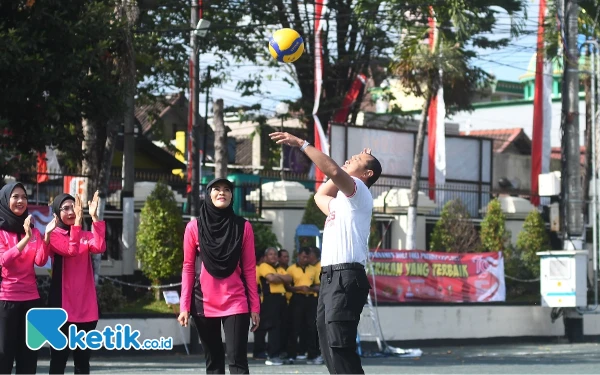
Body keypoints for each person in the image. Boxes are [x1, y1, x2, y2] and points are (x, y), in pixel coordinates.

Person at [270, 132, 382, 375]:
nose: (350, 158)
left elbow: (332, 172)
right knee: (328, 344)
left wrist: (302, 145)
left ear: (367, 175)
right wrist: (347, 167)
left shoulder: (360, 191)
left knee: (340, 345)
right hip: (330, 278)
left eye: (356, 160)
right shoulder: (341, 202)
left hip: (346, 276)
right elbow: (320, 195)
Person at [178, 177, 260, 375]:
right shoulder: (193, 228)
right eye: (216, 189)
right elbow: (188, 268)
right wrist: (184, 306)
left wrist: (254, 306)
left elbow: (249, 269)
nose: (222, 192)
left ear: (232, 196)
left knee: (237, 360)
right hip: (203, 303)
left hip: (236, 301)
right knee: (213, 362)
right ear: (208, 194)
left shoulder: (244, 227)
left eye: (227, 189)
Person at [47, 191, 106, 375]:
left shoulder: (85, 234)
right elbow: (71, 250)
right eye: (66, 208)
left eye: (75, 207)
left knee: (82, 362)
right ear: (57, 213)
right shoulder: (54, 236)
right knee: (58, 360)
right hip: (62, 308)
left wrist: (95, 216)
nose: (72, 212)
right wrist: (78, 225)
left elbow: (99, 246)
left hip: (85, 307)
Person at [0, 182, 53, 375]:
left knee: (29, 354)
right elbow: (4, 261)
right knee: (4, 353)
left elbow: (40, 261)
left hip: (31, 300)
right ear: (6, 200)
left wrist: (45, 237)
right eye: (15, 196)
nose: (21, 200)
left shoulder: (33, 230)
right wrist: (25, 238)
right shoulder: (1, 232)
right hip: (7, 300)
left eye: (24, 196)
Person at [285, 247, 321, 365]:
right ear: (299, 256)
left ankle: (312, 355)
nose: (306, 259)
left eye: (307, 257)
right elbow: (287, 287)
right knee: (294, 327)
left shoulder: (314, 269)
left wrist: (310, 289)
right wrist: (299, 288)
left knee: (311, 327)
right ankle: (292, 355)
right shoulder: (291, 269)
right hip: (297, 299)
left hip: (310, 299)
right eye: (304, 256)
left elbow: (318, 285)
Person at [256, 247, 291, 366]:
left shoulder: (280, 268)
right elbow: (271, 279)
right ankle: (272, 355)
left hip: (281, 299)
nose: (274, 256)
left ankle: (280, 353)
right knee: (273, 327)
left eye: (275, 254)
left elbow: (289, 279)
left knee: (283, 327)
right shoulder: (264, 267)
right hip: (270, 299)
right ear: (265, 257)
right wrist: (280, 278)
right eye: (270, 254)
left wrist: (277, 277)